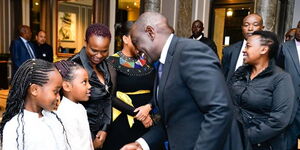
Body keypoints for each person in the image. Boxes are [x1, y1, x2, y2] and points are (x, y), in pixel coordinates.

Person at [121, 12, 232, 150]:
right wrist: (141, 144)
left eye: (136, 41)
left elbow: (219, 110)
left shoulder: (190, 51)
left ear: (150, 32)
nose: (136, 50)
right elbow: (172, 120)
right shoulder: (163, 63)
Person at [228, 31, 295, 150]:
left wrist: (246, 136)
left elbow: (279, 120)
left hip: (260, 144)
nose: (244, 50)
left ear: (264, 50)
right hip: (232, 140)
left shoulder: (281, 78)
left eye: (248, 46)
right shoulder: (240, 73)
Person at [103, 22, 156, 150]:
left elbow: (158, 90)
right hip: (124, 121)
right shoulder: (112, 61)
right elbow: (111, 97)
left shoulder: (148, 61)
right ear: (125, 39)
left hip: (149, 120)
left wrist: (148, 107)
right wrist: (139, 114)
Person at [0, 59, 70, 150]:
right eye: (55, 92)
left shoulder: (54, 119)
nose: (58, 98)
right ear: (35, 90)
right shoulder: (14, 127)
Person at [69, 23, 112, 149]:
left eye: (104, 51)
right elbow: (65, 107)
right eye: (94, 50)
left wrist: (105, 128)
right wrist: (89, 140)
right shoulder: (73, 65)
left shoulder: (105, 65)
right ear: (85, 43)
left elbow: (108, 98)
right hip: (81, 135)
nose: (99, 56)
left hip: (102, 132)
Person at [55, 60, 94, 150]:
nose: (89, 86)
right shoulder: (65, 112)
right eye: (84, 82)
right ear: (67, 86)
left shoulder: (79, 107)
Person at [276, 21, 300, 150]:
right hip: (290, 103)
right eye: (299, 27)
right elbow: (277, 72)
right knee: (288, 143)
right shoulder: (284, 47)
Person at [222, 14, 264, 81]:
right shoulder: (229, 50)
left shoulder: (267, 51)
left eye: (255, 25)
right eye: (246, 25)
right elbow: (223, 77)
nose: (250, 28)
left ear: (262, 28)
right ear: (242, 28)